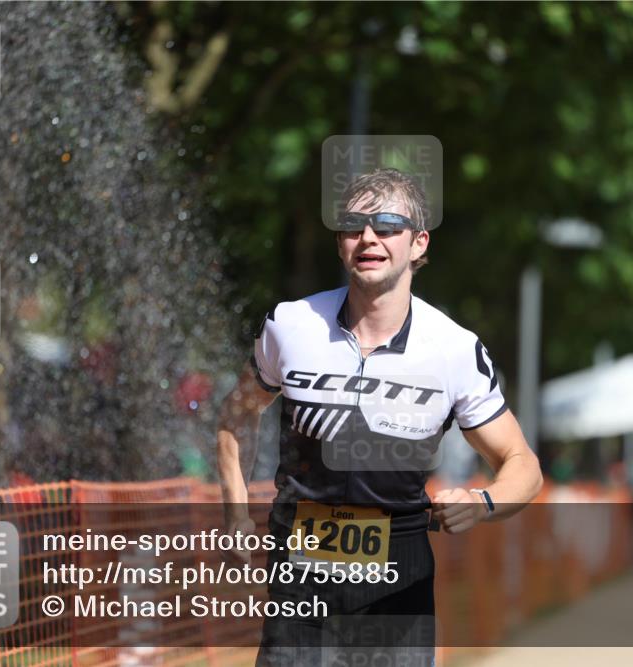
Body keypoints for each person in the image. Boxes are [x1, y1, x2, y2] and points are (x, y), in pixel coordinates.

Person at [217, 167, 543, 665]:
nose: (369, 237)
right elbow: (237, 415)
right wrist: (235, 513)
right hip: (301, 567)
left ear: (418, 243)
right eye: (353, 225)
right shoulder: (291, 325)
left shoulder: (454, 349)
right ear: (340, 243)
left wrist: (482, 502)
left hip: (399, 573)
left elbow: (522, 463)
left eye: (388, 225)